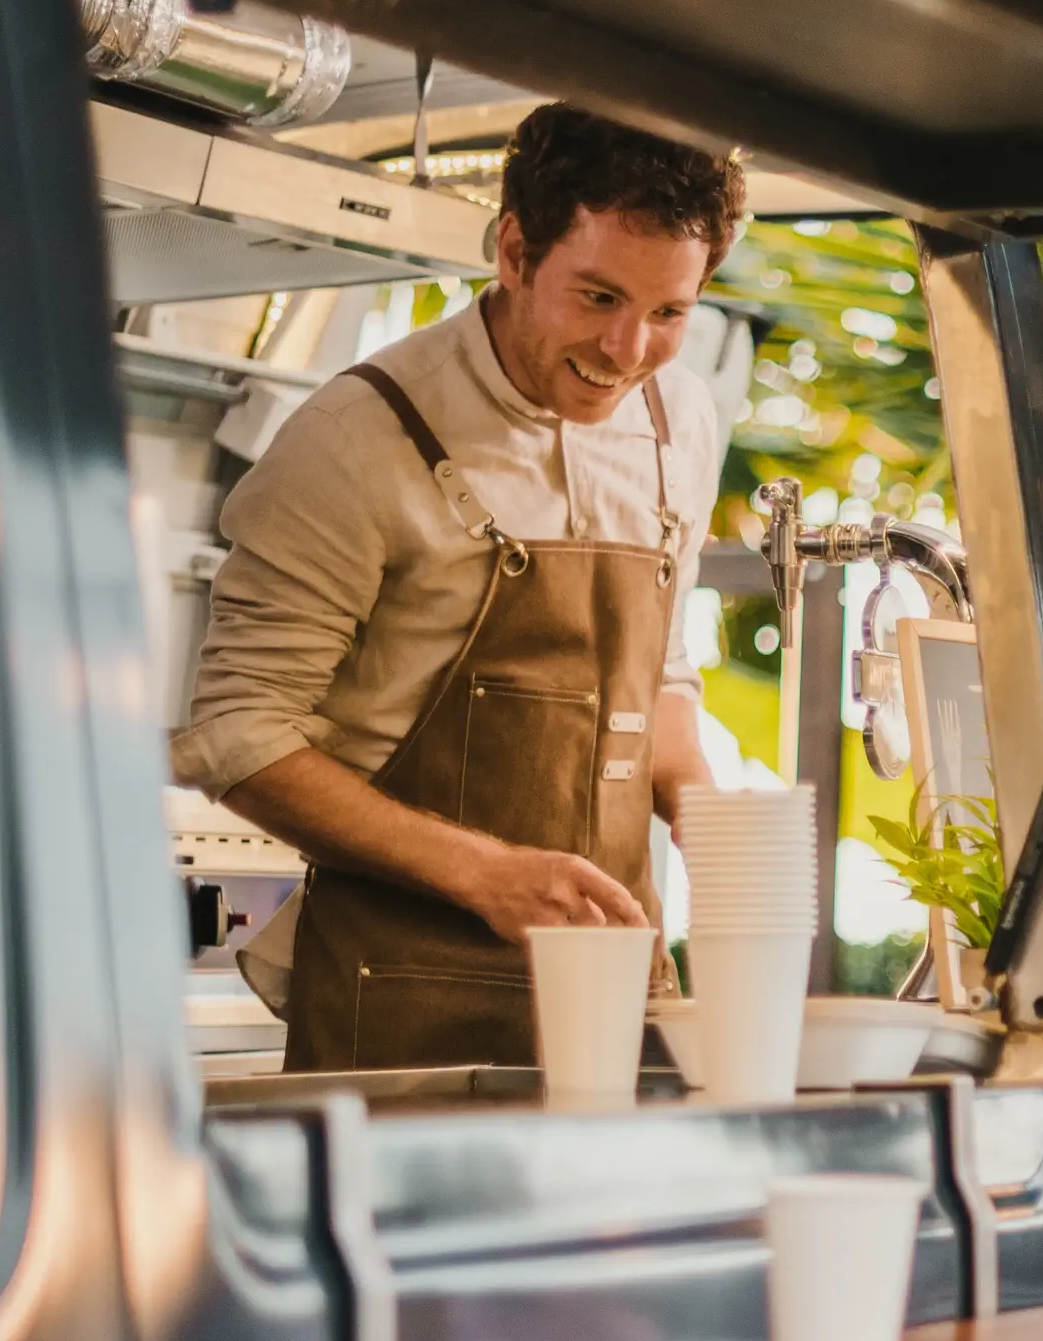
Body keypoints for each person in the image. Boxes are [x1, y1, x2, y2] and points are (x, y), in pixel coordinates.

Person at [172, 103, 746, 1071]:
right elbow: (238, 731)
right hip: (399, 1009)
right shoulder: (360, 436)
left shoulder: (677, 420)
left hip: (614, 999)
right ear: (514, 251)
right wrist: (483, 873)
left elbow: (657, 669)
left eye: (668, 313)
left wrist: (703, 811)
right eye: (598, 298)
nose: (627, 351)